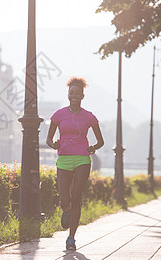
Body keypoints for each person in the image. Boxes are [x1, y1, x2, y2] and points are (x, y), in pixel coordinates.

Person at [46, 76, 104, 250]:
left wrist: (92, 148)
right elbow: (48, 138)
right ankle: (66, 209)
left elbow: (100, 141)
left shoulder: (89, 117)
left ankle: (71, 237)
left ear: (82, 96)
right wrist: (54, 143)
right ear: (68, 94)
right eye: (71, 93)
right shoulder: (59, 115)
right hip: (64, 159)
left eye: (77, 93)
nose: (74, 96)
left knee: (77, 196)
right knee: (65, 198)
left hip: (82, 159)